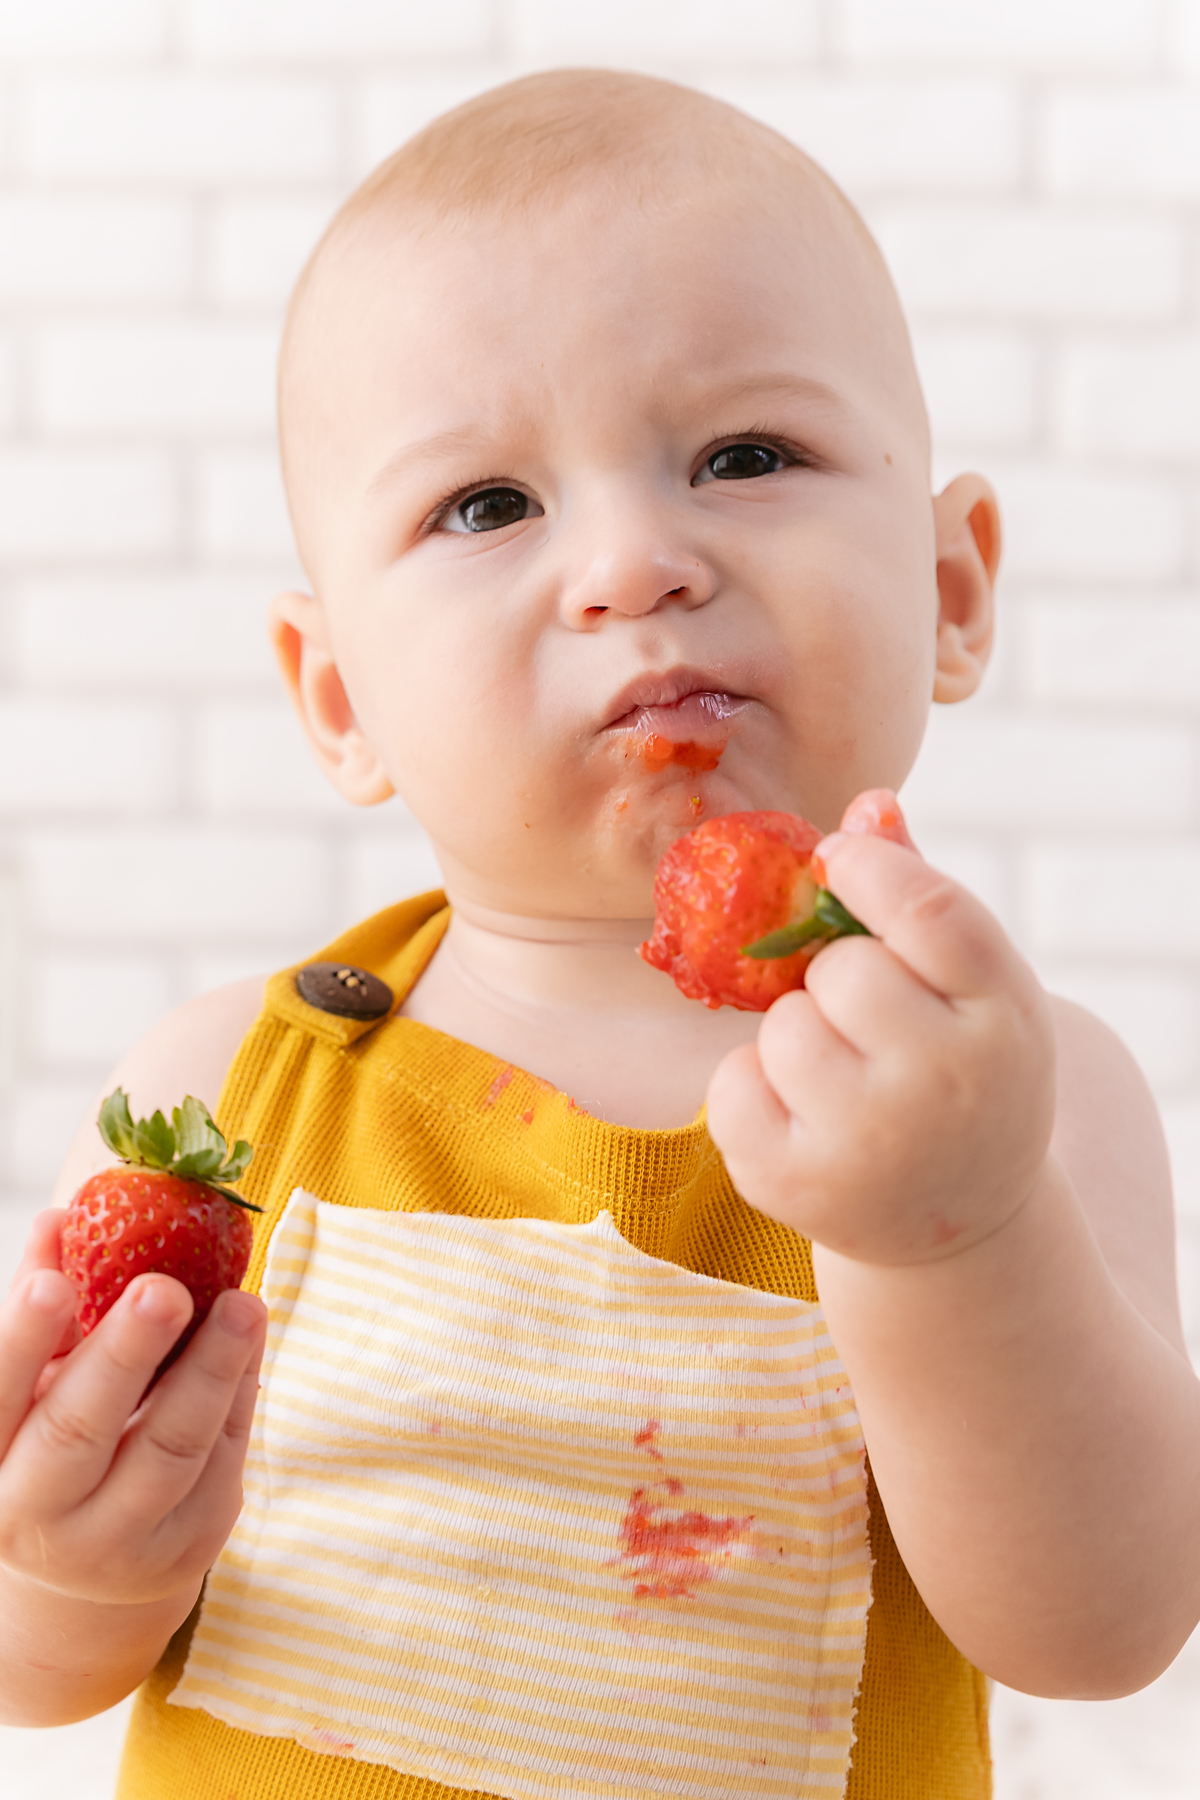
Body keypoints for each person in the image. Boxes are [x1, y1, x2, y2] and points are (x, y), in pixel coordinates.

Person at [1, 68, 1197, 1800]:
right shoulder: (229, 1098)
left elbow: (1102, 1636)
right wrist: (67, 1566)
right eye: (488, 505)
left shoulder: (1021, 1098)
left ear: (951, 591)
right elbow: (41, 1677)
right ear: (340, 700)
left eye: (745, 455)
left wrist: (961, 1236)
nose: (636, 563)